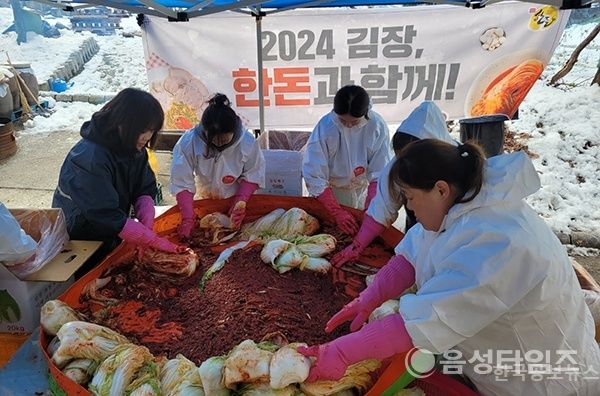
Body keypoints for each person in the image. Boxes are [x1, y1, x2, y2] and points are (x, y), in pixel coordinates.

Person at [299, 139, 600, 395]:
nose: (410, 208)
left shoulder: (499, 241)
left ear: (440, 189)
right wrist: (370, 297)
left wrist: (340, 352)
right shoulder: (461, 205)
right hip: (491, 358)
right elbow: (414, 254)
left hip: (539, 380)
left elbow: (424, 323)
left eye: (410, 198)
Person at [53, 88, 185, 255]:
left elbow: (143, 185)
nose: (147, 137)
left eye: (152, 130)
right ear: (122, 124)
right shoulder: (88, 158)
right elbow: (103, 212)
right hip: (81, 233)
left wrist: (146, 213)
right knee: (95, 271)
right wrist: (149, 238)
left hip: (112, 226)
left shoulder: (133, 148)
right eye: (143, 130)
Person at [331, 101, 456, 267]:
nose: (409, 206)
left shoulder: (460, 170)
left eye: (410, 196)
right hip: (420, 230)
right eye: (407, 197)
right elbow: (382, 208)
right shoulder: (400, 163)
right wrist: (357, 246)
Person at [170, 93, 265, 239]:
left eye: (225, 140)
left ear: (234, 131)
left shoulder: (247, 142)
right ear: (205, 132)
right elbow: (181, 181)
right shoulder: (189, 142)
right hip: (205, 197)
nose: (219, 144)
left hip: (236, 197)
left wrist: (240, 200)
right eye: (214, 140)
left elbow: (254, 172)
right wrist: (188, 217)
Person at [302, 85, 392, 236]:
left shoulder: (376, 125)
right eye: (343, 121)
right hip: (330, 193)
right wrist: (336, 211)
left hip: (361, 190)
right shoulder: (326, 126)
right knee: (327, 233)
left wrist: (371, 207)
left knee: (358, 232)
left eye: (355, 122)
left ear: (366, 113)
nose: (349, 126)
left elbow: (380, 170)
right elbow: (314, 173)